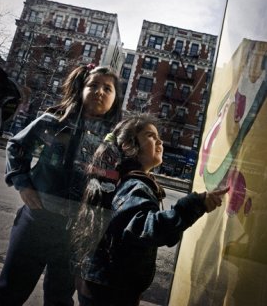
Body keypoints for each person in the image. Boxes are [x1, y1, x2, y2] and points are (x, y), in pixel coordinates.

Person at [71, 114, 229, 306]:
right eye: (150, 136)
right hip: (112, 291)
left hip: (106, 284)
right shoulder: (134, 185)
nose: (160, 140)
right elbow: (146, 228)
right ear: (130, 147)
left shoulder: (129, 181)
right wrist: (195, 204)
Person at [0, 64, 122, 306]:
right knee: (9, 290)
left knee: (60, 298)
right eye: (93, 85)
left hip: (76, 234)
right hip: (35, 221)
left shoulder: (116, 138)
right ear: (80, 89)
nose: (100, 91)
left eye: (108, 88)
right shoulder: (54, 121)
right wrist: (23, 184)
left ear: (116, 98)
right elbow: (16, 146)